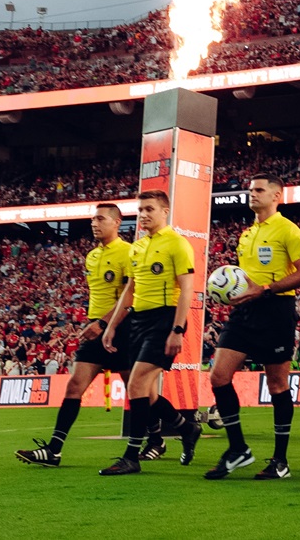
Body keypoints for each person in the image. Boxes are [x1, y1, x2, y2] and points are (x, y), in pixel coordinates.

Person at [15, 203, 149, 467]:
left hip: (121, 328)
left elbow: (129, 296)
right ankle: (54, 450)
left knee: (138, 390)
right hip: (96, 327)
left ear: (116, 222)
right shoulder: (91, 256)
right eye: (92, 219)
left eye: (100, 219)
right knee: (75, 386)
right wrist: (95, 323)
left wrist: (103, 323)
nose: (94, 223)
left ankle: (174, 429)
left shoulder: (127, 252)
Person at [205, 174, 300, 481]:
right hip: (246, 312)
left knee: (278, 386)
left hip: (276, 310)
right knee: (218, 376)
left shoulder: (288, 230)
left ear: (276, 195)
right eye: (250, 190)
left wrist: (266, 289)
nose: (251, 194)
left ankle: (280, 461)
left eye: (258, 190)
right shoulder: (246, 234)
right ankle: (238, 448)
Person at [99, 190, 202, 476]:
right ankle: (186, 427)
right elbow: (130, 291)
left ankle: (132, 456)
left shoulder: (177, 244)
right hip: (138, 322)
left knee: (135, 384)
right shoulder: (137, 247)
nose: (143, 214)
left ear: (164, 211)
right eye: (141, 209)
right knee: (145, 392)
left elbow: (187, 290)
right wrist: (112, 325)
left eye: (150, 209)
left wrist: (177, 329)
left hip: (164, 319)